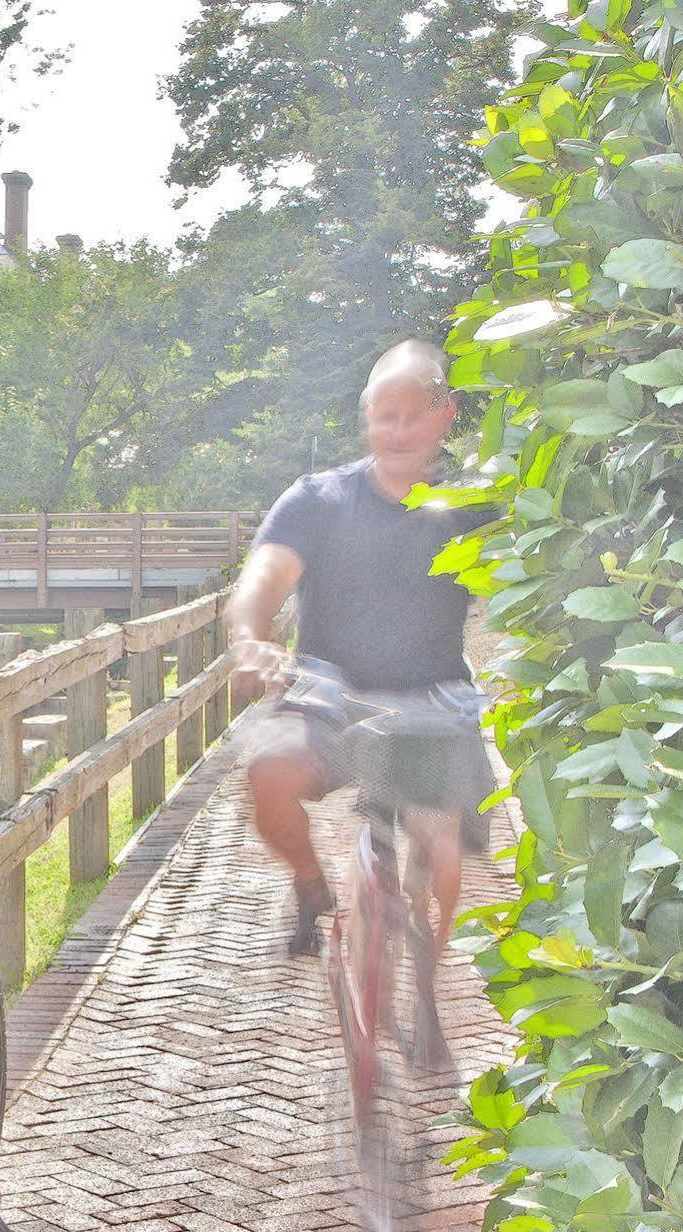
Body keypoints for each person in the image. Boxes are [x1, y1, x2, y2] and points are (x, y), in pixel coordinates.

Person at [226, 340, 490, 1054]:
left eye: (411, 416)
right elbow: (263, 576)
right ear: (365, 419)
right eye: (381, 417)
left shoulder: (472, 506)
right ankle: (311, 884)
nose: (396, 432)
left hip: (431, 701)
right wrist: (249, 636)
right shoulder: (317, 499)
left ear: (445, 416)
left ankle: (426, 971)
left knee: (440, 847)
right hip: (328, 697)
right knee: (267, 774)